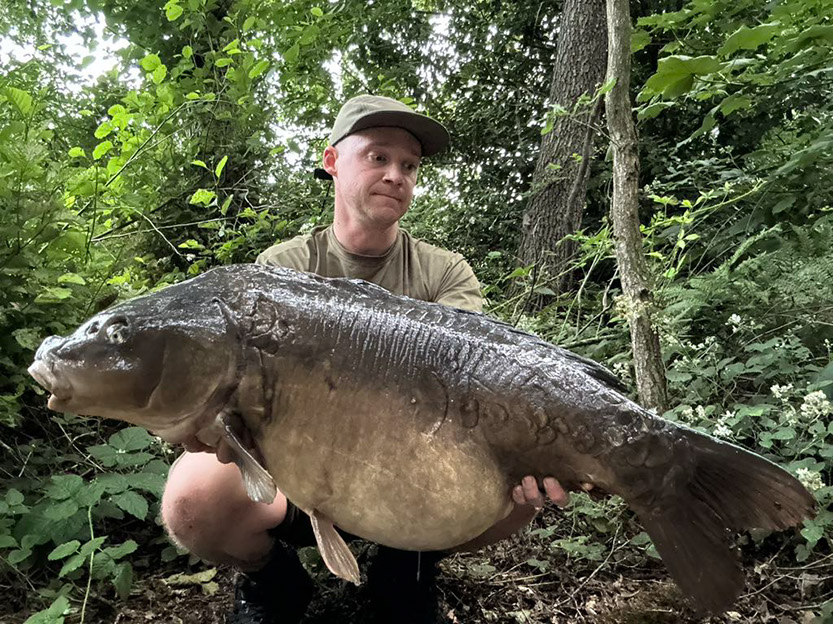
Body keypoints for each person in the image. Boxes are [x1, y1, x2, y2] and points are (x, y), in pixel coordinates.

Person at [161, 95, 570, 624]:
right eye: (378, 157)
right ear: (332, 161)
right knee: (193, 496)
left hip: (417, 473)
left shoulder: (445, 272)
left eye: (408, 165)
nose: (396, 175)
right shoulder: (282, 269)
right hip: (301, 474)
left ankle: (407, 569)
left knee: (522, 490)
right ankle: (274, 581)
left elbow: (474, 384)